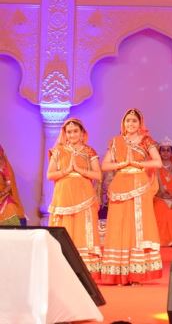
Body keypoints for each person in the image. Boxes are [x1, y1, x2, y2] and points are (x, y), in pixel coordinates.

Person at [99, 108, 163, 285]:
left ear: (140, 123)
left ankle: (136, 273)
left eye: (134, 121)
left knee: (136, 226)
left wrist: (138, 164)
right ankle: (120, 273)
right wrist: (123, 164)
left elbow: (158, 162)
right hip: (120, 185)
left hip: (139, 185)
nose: (131, 124)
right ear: (123, 123)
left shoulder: (146, 140)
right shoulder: (116, 141)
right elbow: (105, 166)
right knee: (119, 225)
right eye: (128, 120)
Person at [46, 118, 102, 277]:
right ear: (65, 133)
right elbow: (50, 175)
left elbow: (98, 175)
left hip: (84, 196)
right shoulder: (58, 151)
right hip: (63, 196)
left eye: (75, 131)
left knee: (83, 229)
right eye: (69, 132)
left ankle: (85, 269)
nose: (72, 134)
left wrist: (79, 170)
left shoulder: (89, 151)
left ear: (82, 133)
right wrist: (67, 170)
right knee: (65, 228)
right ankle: (63, 267)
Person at [0, 143, 25, 227]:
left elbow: (9, 184)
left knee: (11, 209)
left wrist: (2, 193)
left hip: (3, 198)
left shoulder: (3, 168)